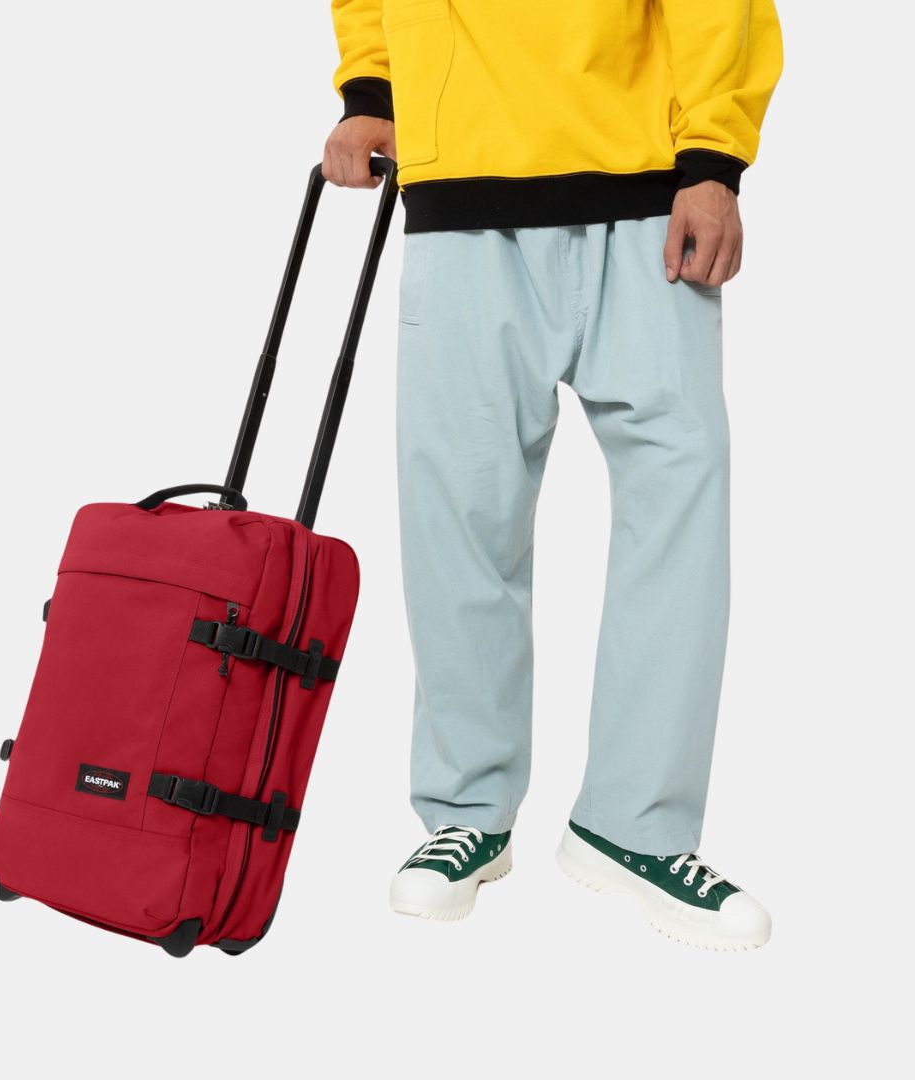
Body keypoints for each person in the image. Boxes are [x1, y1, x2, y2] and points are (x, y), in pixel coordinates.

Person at [324, 0, 782, 950]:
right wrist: (371, 89)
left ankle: (636, 825)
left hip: (646, 185)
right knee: (460, 517)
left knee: (682, 508)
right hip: (464, 180)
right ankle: (468, 812)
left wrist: (712, 161)